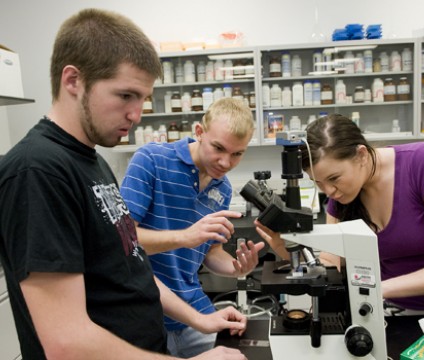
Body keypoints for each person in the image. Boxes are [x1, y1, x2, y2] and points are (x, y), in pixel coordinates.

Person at [0, 8, 248, 360]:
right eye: (126, 95)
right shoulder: (37, 171)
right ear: (73, 80)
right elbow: (65, 343)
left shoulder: (93, 161)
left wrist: (201, 319)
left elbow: (133, 268)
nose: (137, 114)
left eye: (143, 99)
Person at [256, 114, 424, 315]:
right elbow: (332, 265)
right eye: (318, 182)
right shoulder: (343, 197)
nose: (328, 191)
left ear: (361, 154)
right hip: (404, 311)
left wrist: (379, 289)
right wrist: (285, 249)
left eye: (334, 178)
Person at [120, 97, 264, 357]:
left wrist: (236, 268)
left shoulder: (223, 187)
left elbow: (211, 252)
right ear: (199, 132)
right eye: (218, 148)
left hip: (194, 311)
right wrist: (185, 237)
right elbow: (121, 241)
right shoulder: (151, 160)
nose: (225, 162)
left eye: (237, 154)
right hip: (146, 311)